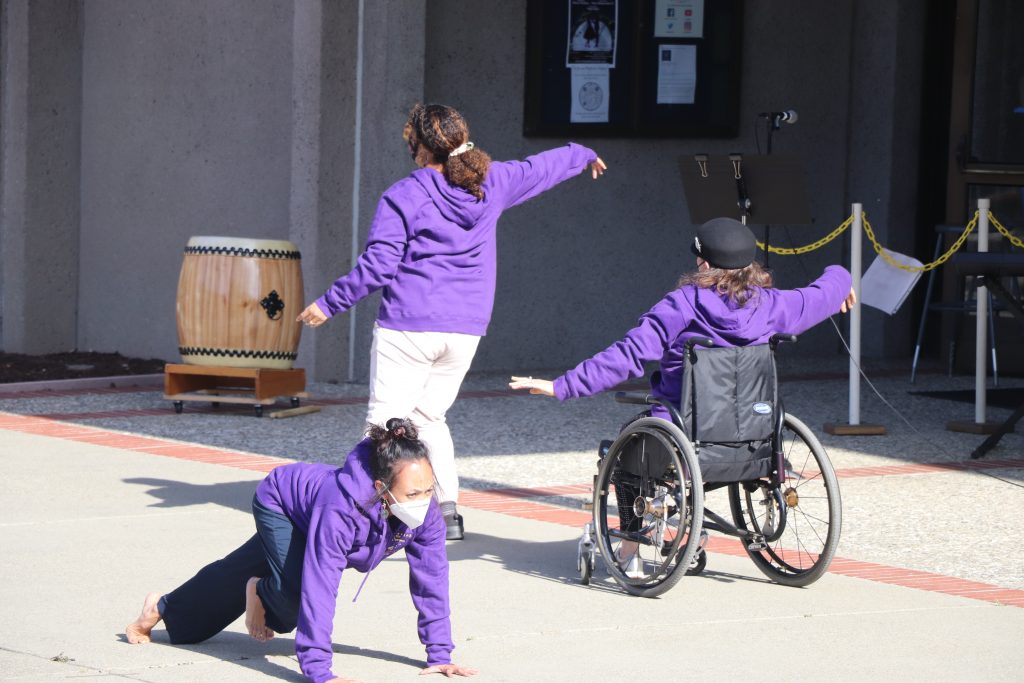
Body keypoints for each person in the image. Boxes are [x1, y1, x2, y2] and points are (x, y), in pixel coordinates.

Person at [297, 103, 607, 541]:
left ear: (421, 147)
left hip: (409, 324)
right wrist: (582, 153)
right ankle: (447, 513)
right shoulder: (493, 181)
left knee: (385, 422)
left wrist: (329, 303)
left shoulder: (405, 195)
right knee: (430, 418)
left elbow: (381, 265)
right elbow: (540, 168)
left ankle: (360, 520)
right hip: (465, 329)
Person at [508, 217, 855, 574]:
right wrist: (842, 279)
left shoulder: (682, 305)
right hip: (753, 440)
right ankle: (686, 529)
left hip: (682, 435)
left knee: (623, 455)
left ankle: (631, 549)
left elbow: (627, 355)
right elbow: (826, 290)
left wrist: (563, 385)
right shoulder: (772, 305)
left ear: (703, 264)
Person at [125, 418, 477, 683]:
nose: (423, 500)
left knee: (238, 574)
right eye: (412, 494)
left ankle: (164, 609)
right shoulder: (343, 511)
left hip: (312, 510)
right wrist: (319, 672)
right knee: (291, 601)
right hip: (281, 501)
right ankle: (260, 589)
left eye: (428, 489)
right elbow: (321, 586)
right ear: (381, 487)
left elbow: (432, 578)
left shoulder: (427, 512)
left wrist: (440, 653)